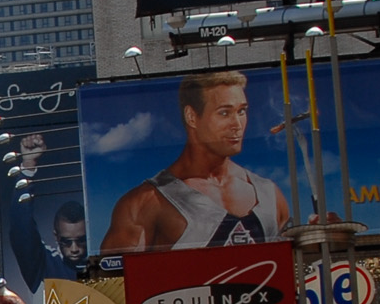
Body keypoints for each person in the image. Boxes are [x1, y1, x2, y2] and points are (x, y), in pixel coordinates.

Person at [99, 71, 290, 252]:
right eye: (224, 113)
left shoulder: (268, 195)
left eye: (241, 111)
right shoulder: (146, 204)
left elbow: (295, 267)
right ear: (192, 117)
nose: (237, 125)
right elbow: (114, 281)